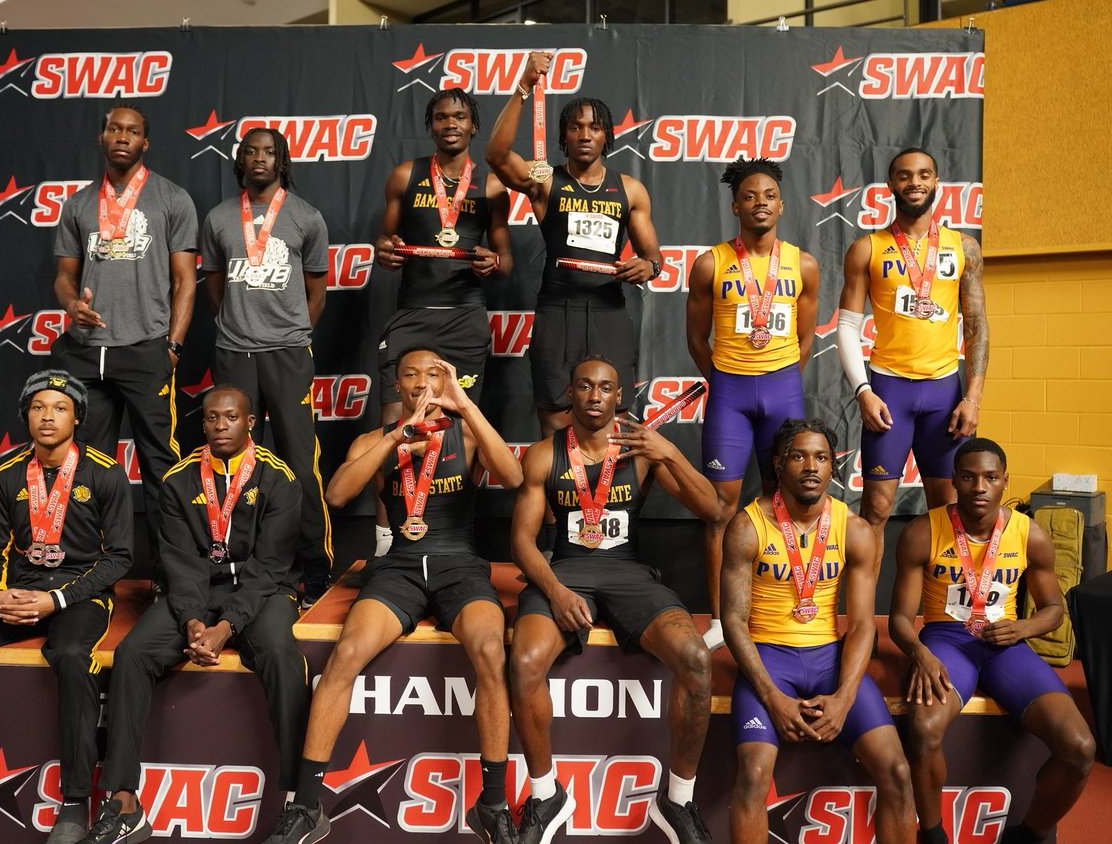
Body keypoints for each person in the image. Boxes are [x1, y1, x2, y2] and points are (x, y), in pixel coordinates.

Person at [265, 348, 524, 844]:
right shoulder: (376, 440)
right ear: (397, 385)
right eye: (411, 374)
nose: (422, 382)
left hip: (458, 565)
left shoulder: (466, 432)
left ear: (447, 382)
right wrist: (394, 438)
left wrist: (465, 405)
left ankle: (491, 804)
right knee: (346, 654)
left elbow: (512, 477)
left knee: (491, 652)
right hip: (400, 568)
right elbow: (337, 494)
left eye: (434, 374)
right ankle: (306, 805)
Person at [78, 385, 306, 844]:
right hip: (197, 591)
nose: (220, 425)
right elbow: (180, 562)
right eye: (211, 418)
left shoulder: (279, 477)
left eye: (231, 417)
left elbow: (270, 567)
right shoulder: (179, 479)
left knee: (281, 655)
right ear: (202, 424)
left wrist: (227, 626)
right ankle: (123, 802)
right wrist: (193, 621)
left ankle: (299, 802)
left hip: (262, 591)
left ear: (250, 423)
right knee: (133, 654)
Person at [0, 370, 132, 844]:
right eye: (38, 407)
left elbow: (119, 558)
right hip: (20, 589)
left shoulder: (105, 472)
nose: (48, 416)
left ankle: (75, 801)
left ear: (77, 418)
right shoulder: (9, 472)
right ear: (26, 416)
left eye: (59, 408)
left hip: (79, 593)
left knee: (72, 656)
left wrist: (58, 599)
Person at [508, 356, 719, 844]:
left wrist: (669, 452)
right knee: (523, 662)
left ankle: (678, 800)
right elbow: (521, 541)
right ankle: (546, 794)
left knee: (696, 659)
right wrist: (555, 591)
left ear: (619, 397)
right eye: (585, 386)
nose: (595, 395)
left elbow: (713, 509)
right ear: (570, 393)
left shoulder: (641, 449)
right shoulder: (542, 454)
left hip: (628, 574)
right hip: (564, 573)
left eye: (605, 387)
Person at [889, 437, 1094, 844]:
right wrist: (919, 653)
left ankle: (1031, 834)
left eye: (990, 477)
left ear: (1005, 481)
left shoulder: (1029, 534)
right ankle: (932, 834)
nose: (979, 487)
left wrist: (1024, 628)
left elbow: (1054, 608)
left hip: (1006, 643)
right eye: (968, 477)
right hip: (946, 641)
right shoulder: (922, 531)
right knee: (924, 729)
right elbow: (898, 619)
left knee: (1080, 747)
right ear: (954, 481)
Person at [720, 418, 914, 844]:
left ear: (833, 467)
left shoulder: (854, 529)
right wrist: (772, 697)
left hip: (829, 660)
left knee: (898, 772)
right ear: (778, 464)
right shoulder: (747, 526)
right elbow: (733, 621)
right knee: (753, 775)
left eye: (822, 457)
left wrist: (845, 697)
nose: (811, 466)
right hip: (769, 659)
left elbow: (861, 624)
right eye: (799, 456)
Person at [52, 104, 197, 585]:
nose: (122, 136)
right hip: (85, 351)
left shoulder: (172, 198)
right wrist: (71, 304)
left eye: (132, 131)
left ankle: (171, 578)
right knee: (87, 470)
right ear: (102, 137)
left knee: (161, 467)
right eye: (114, 128)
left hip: (145, 349)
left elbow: (186, 281)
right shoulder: (78, 204)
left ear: (144, 143)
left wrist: (172, 347)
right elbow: (64, 277)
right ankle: (88, 576)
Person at [486, 51, 664, 434]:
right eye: (575, 127)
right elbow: (496, 155)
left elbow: (654, 258)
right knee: (554, 420)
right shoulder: (545, 179)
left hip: (608, 312)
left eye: (594, 128)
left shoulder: (630, 189)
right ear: (564, 135)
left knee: (613, 424)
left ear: (607, 135)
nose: (585, 135)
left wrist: (648, 266)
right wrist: (524, 86)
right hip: (557, 311)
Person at [686, 157, 820, 651]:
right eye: (749, 196)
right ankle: (721, 619)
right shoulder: (711, 263)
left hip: (783, 390)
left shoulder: (803, 264)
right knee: (719, 509)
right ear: (735, 206)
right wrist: (725, 381)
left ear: (781, 205)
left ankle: (772, 605)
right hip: (731, 395)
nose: (759, 203)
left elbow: (806, 338)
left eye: (768, 196)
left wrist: (779, 377)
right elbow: (696, 337)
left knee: (781, 502)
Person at [372, 89, 511, 556]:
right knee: (394, 424)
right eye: (441, 117)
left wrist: (493, 262)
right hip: (412, 314)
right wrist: (385, 251)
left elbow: (505, 260)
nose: (451, 124)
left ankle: (457, 538)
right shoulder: (404, 175)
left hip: (464, 318)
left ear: (474, 125)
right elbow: (385, 243)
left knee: (463, 426)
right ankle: (386, 540)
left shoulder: (491, 185)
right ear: (430, 125)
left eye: (460, 116)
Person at [200, 126, 333, 604]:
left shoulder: (306, 217)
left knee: (300, 463)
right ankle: (239, 564)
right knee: (233, 462)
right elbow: (214, 288)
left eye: (269, 152)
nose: (259, 158)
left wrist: (290, 335)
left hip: (288, 354)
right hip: (235, 353)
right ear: (240, 160)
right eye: (251, 151)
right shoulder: (218, 218)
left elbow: (316, 292)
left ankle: (315, 568)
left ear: (282, 161)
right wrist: (239, 327)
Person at [837, 148, 988, 568]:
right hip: (888, 390)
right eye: (904, 175)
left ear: (936, 181)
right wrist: (863, 391)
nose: (915, 182)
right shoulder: (867, 248)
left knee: (949, 510)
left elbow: (977, 326)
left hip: (945, 393)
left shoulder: (964, 247)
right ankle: (864, 608)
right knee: (875, 509)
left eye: (924, 174)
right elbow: (847, 326)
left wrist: (972, 397)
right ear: (891, 185)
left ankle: (941, 604)